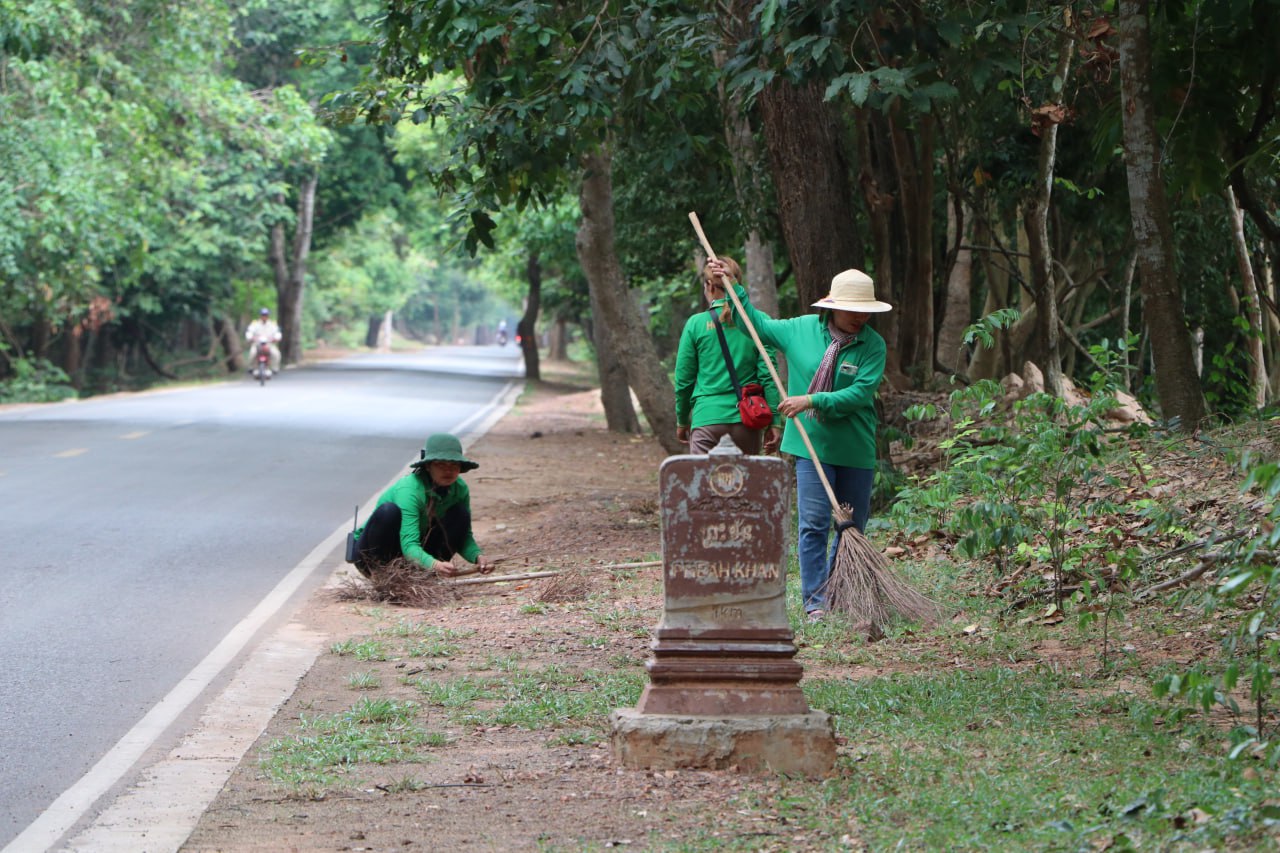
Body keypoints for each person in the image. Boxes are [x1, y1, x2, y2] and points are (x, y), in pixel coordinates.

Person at [713, 261, 890, 622]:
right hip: (810, 444)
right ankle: (815, 603)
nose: (860, 319)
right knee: (813, 522)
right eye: (852, 311)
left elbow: (859, 394)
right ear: (832, 306)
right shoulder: (800, 330)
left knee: (852, 525)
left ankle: (840, 591)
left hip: (855, 448)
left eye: (865, 313)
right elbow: (756, 325)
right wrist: (734, 286)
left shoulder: (873, 346)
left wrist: (811, 400)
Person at [674, 257, 783, 455]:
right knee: (744, 483)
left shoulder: (696, 324)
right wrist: (775, 421)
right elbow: (768, 375)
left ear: (709, 286)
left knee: (703, 484)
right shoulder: (757, 322)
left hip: (707, 419)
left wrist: (682, 419)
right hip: (747, 420)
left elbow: (684, 380)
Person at [351, 433, 493, 578]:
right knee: (389, 512)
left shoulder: (460, 489)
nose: (448, 471)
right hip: (372, 554)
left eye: (454, 465)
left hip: (415, 553)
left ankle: (426, 575)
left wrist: (478, 556)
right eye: (441, 464)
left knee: (460, 514)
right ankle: (384, 576)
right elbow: (409, 544)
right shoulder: (409, 490)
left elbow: (464, 535)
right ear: (428, 466)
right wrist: (434, 564)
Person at [245, 307, 282, 373]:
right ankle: (251, 367)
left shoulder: (273, 324)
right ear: (260, 315)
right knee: (252, 353)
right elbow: (249, 332)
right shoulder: (255, 324)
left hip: (269, 344)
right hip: (257, 344)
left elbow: (277, 333)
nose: (264, 316)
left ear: (268, 316)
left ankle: (274, 368)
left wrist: (275, 338)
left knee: (276, 354)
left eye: (266, 315)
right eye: (263, 315)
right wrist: (251, 338)